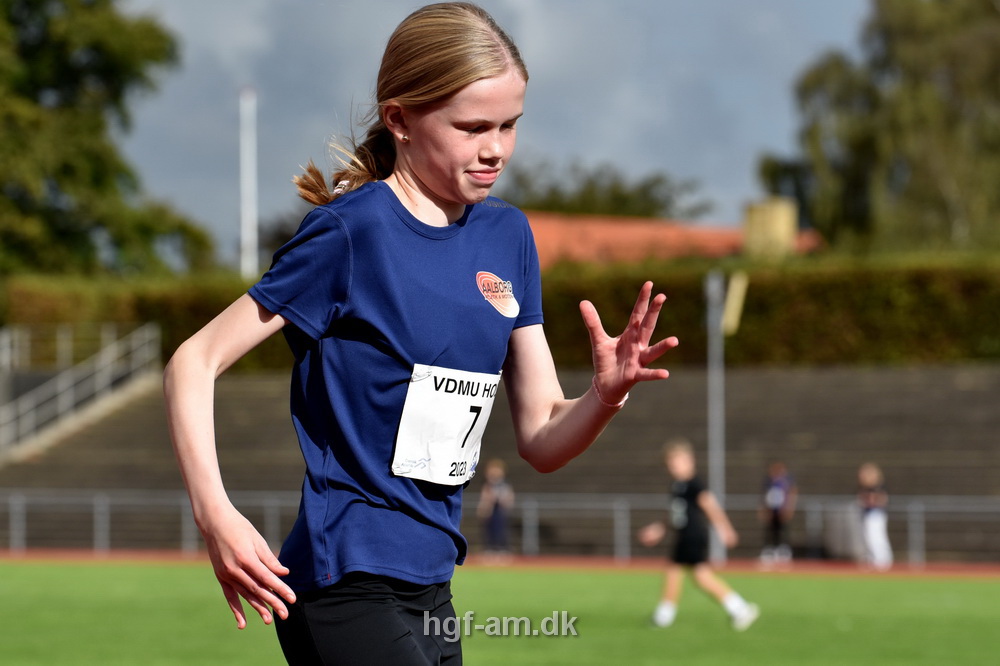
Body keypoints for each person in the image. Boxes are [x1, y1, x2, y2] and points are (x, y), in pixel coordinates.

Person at [162, 3, 679, 663]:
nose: (496, 149)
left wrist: (605, 395)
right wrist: (216, 515)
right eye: (472, 127)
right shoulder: (352, 233)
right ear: (400, 119)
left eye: (510, 124)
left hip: (433, 587)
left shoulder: (509, 236)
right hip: (342, 579)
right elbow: (193, 361)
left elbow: (543, 437)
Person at [638, 439, 759, 631]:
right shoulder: (677, 485)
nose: (673, 467)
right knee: (697, 576)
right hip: (684, 535)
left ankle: (664, 615)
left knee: (677, 571)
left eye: (676, 462)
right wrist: (659, 529)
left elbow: (710, 505)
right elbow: (674, 513)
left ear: (689, 460)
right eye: (670, 463)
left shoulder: (695, 483)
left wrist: (725, 529)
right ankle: (739, 608)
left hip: (693, 535)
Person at [758, 459, 797, 564]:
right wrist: (764, 509)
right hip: (771, 509)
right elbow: (764, 495)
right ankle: (769, 550)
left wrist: (789, 507)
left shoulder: (786, 481)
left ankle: (783, 550)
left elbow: (792, 494)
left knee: (782, 529)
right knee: (770, 530)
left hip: (782, 509)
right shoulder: (768, 481)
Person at [476, 458, 515, 558]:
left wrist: (504, 501)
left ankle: (502, 549)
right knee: (488, 531)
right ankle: (490, 549)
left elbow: (509, 497)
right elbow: (484, 498)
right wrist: (483, 507)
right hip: (490, 511)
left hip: (500, 510)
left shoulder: (504, 485)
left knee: (501, 530)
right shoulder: (487, 485)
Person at [857, 462, 893, 570]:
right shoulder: (865, 488)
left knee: (877, 538)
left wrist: (871, 500)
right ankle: (872, 560)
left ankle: (882, 561)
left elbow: (882, 500)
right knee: (868, 538)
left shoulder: (878, 487)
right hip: (867, 514)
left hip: (876, 514)